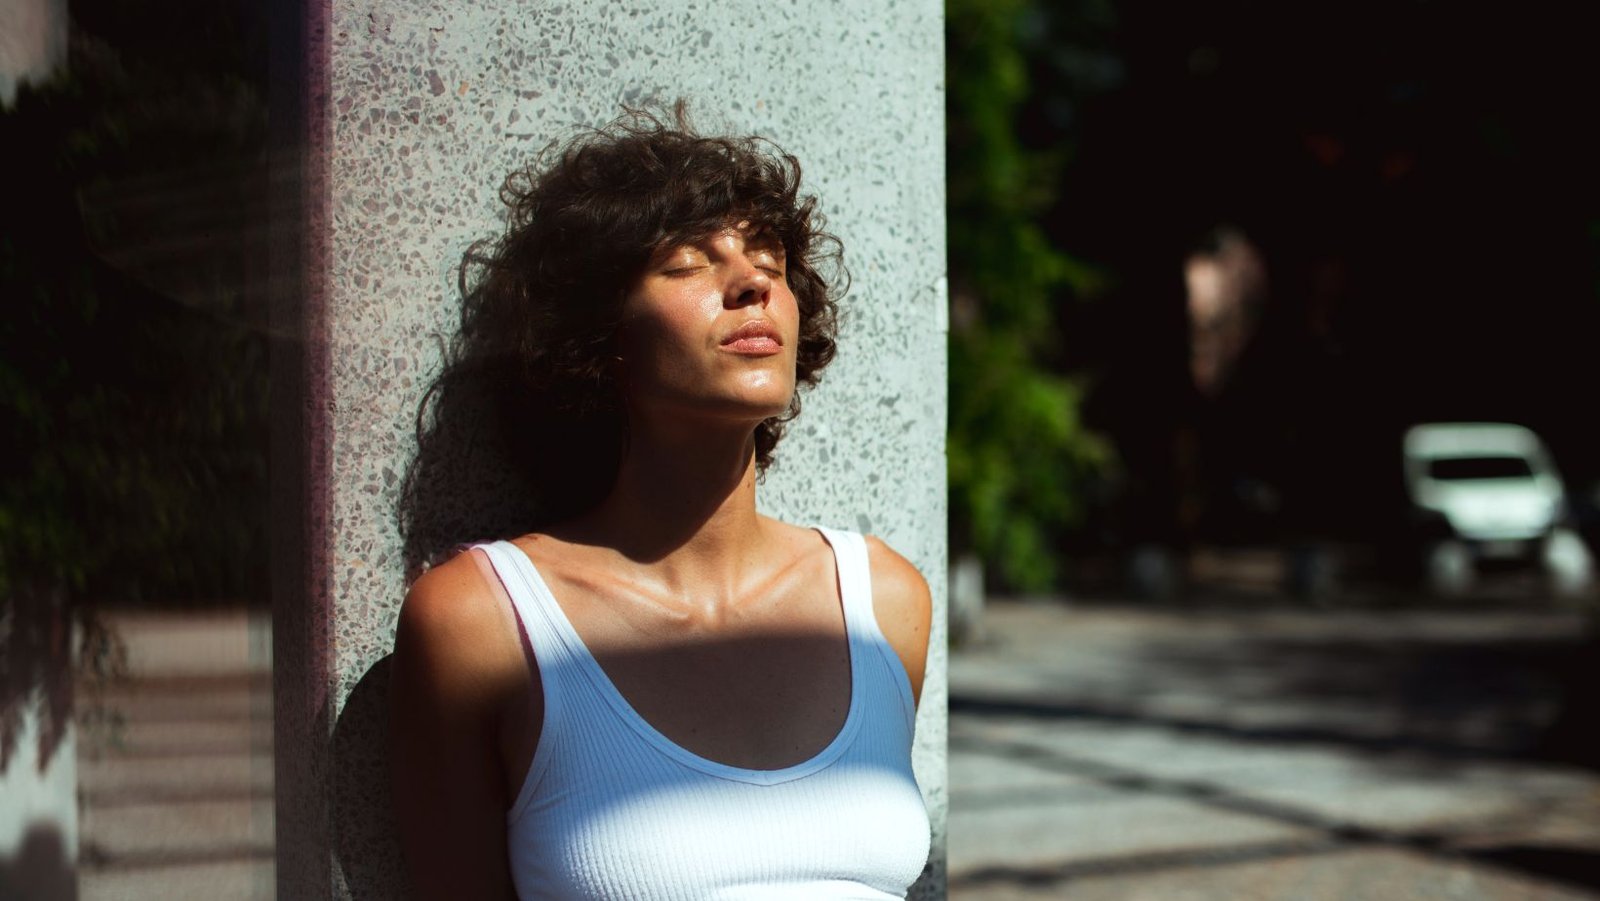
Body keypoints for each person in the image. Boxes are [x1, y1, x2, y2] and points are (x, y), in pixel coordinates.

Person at [389, 107, 933, 900]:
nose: (752, 283)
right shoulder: (482, 621)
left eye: (769, 261)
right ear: (599, 333)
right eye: (686, 263)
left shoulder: (884, 601)